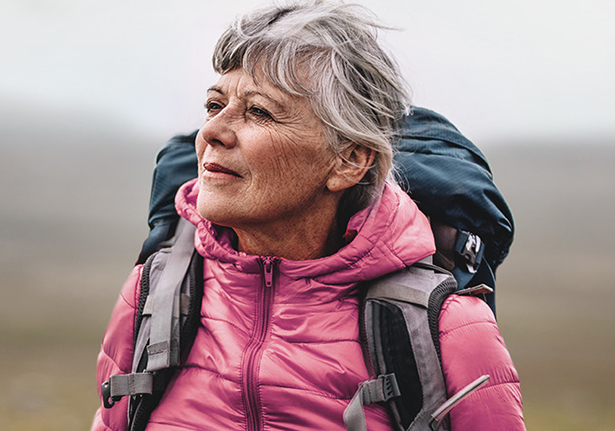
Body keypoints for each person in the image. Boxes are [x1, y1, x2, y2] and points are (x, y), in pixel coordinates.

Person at [92, 2, 525, 430]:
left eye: (259, 111)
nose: (211, 132)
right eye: (213, 105)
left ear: (349, 161)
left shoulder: (447, 330)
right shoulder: (156, 293)